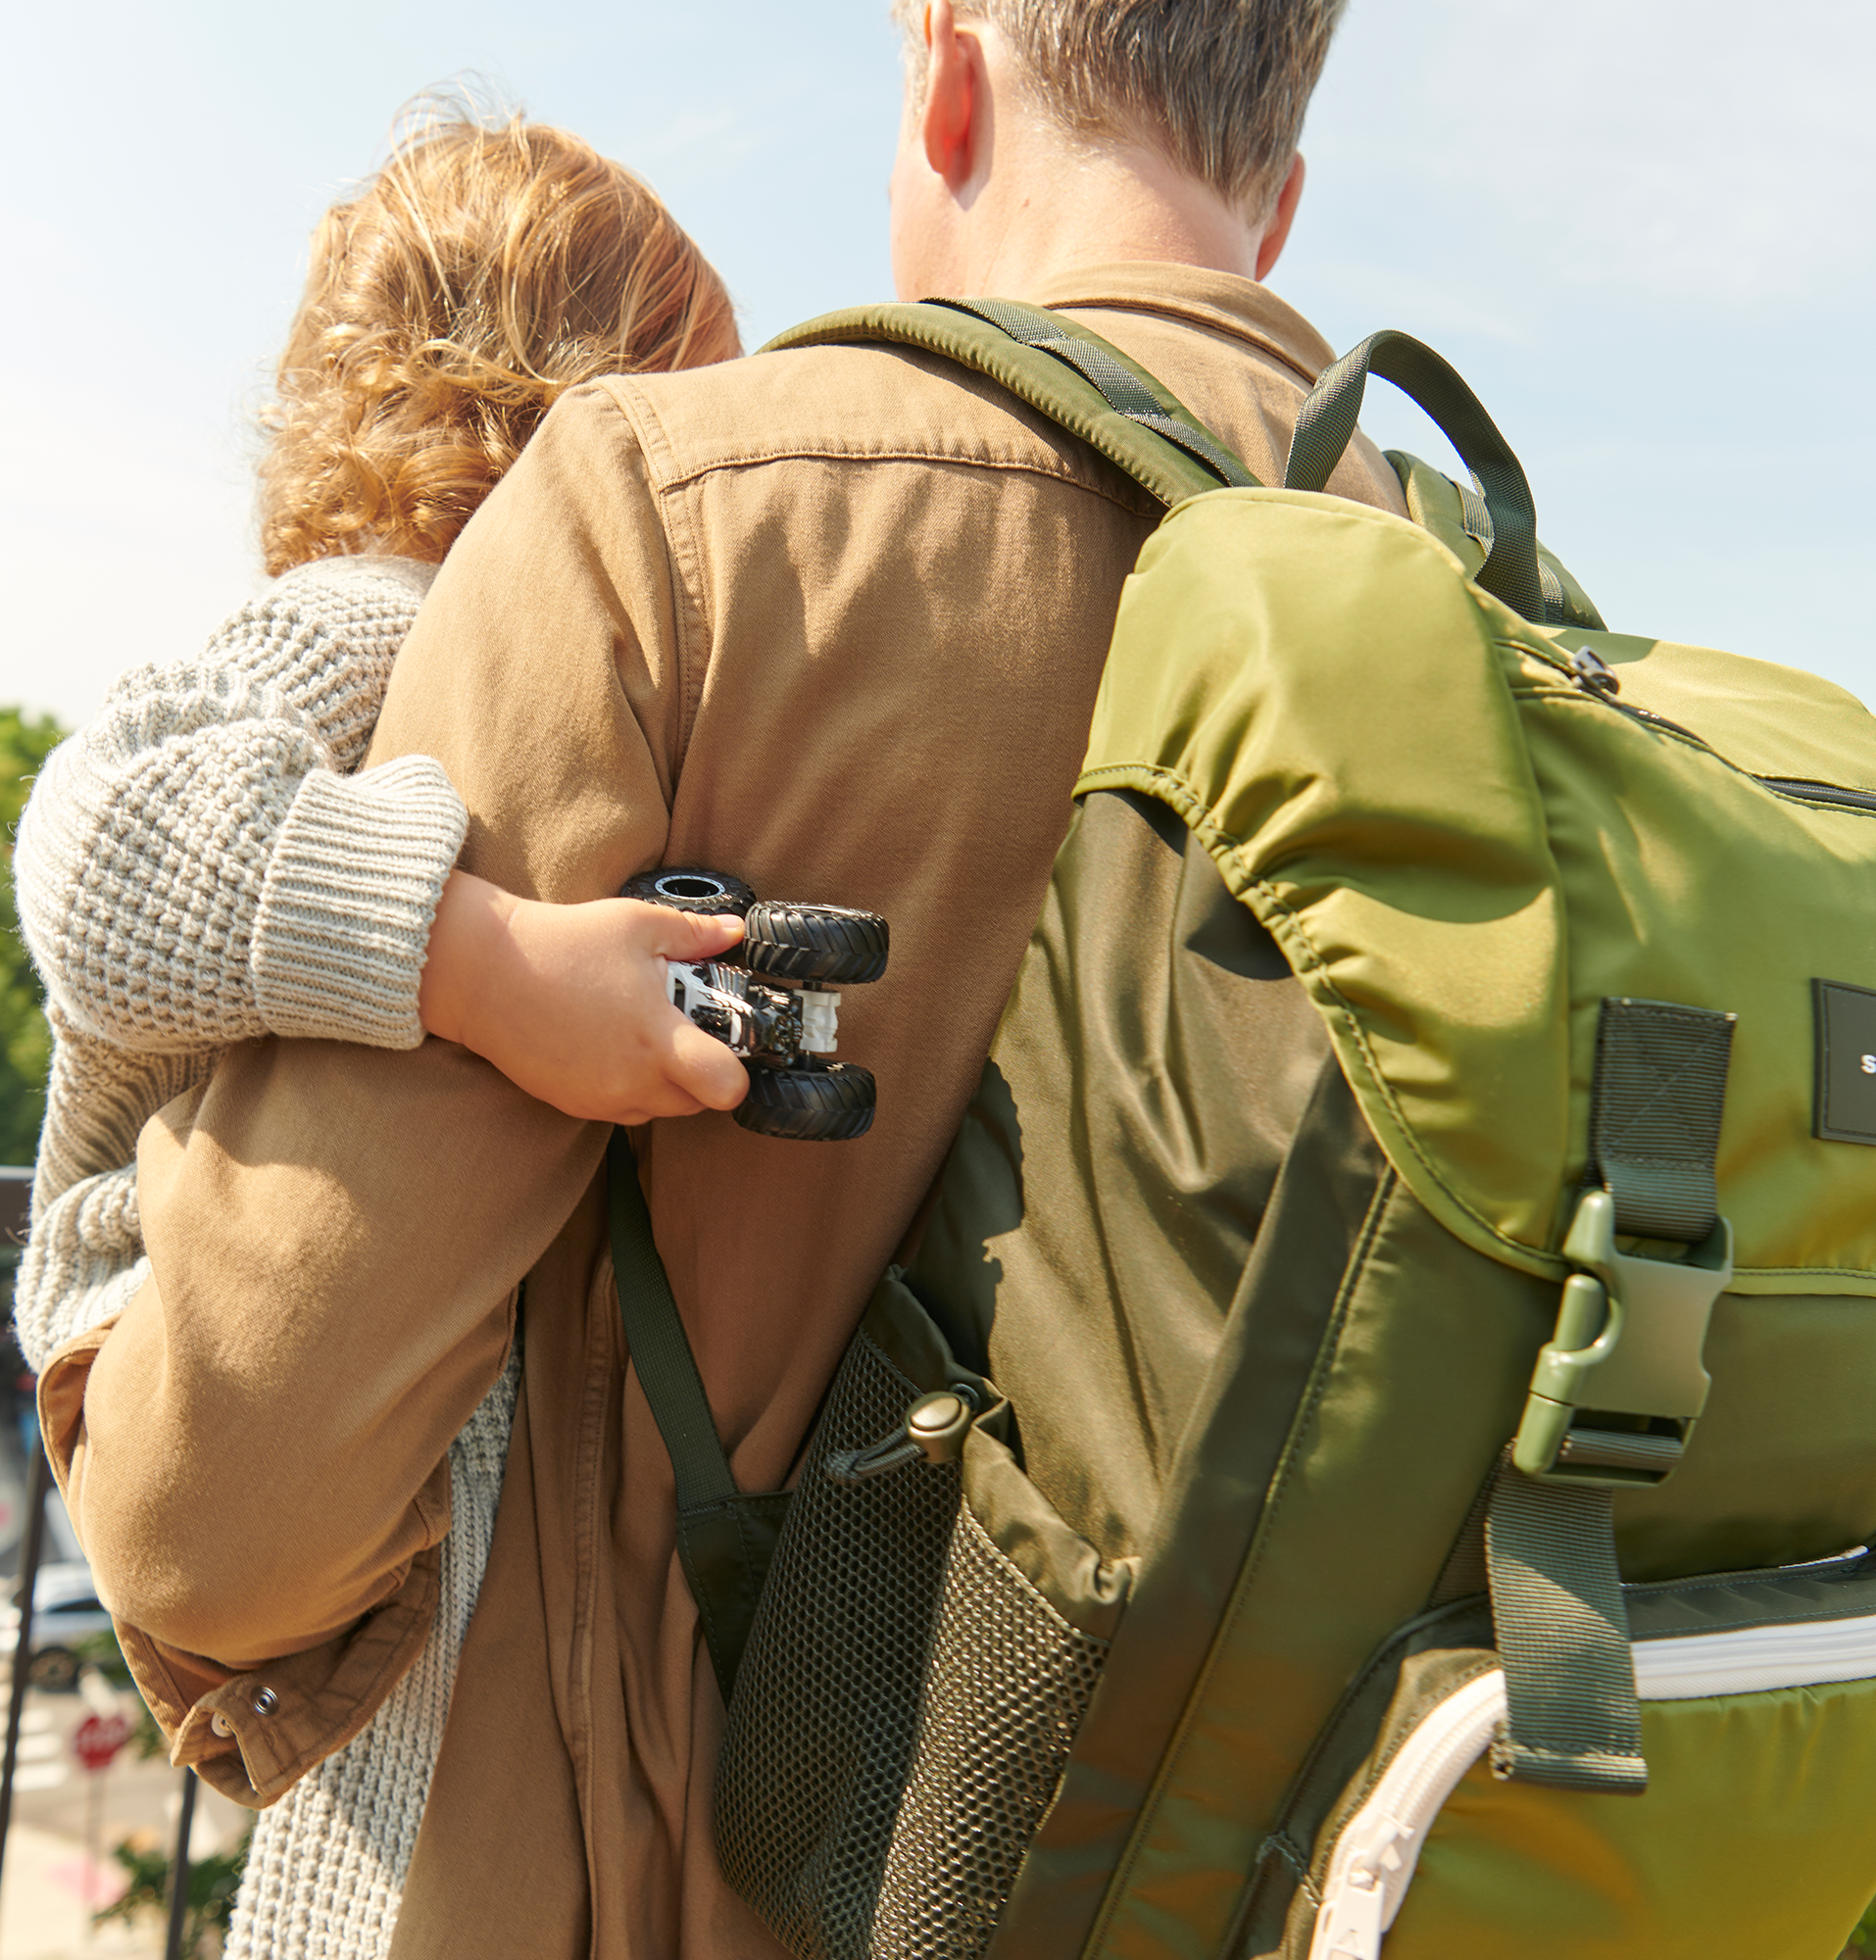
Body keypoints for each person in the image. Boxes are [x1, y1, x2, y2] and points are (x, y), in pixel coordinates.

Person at [41, 4, 1405, 1954]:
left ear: (947, 70)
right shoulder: (1482, 625)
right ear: (1273, 203)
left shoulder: (673, 528)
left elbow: (222, 1529)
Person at [14, 104, 742, 1958]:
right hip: (167, 1319)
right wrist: (489, 963)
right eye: (698, 408)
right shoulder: (378, 618)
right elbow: (98, 840)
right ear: (569, 410)